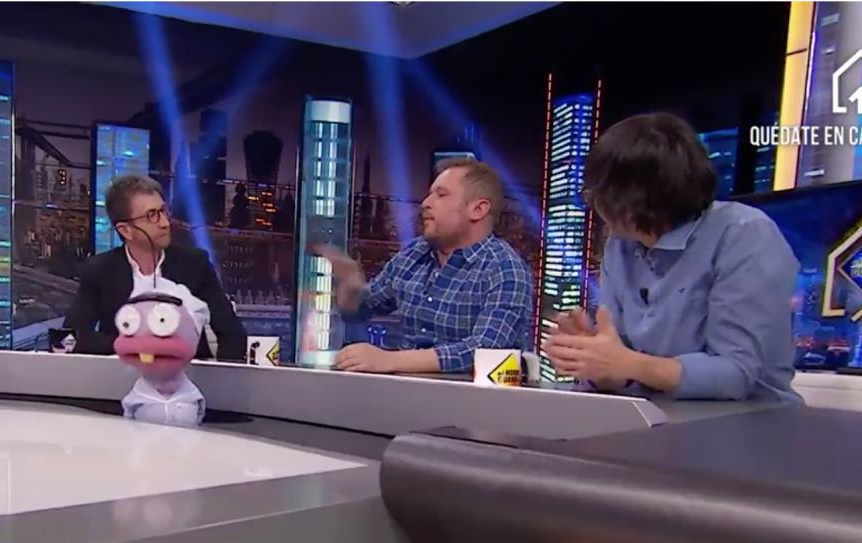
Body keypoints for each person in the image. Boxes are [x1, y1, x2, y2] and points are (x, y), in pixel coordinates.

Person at [543, 112, 800, 402]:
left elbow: (735, 375)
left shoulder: (744, 234)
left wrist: (629, 364)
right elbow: (621, 369)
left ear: (632, 198)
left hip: (753, 420)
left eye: (595, 194)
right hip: (651, 417)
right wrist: (595, 359)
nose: (594, 205)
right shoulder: (619, 245)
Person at [316, 157, 532, 374]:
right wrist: (349, 282)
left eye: (441, 194)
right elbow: (359, 311)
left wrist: (390, 360)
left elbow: (485, 351)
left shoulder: (505, 270)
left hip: (468, 392)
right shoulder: (415, 253)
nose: (426, 203)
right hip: (404, 388)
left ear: (478, 209)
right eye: (430, 194)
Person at [68, 174, 246, 361]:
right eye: (151, 215)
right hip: (121, 373)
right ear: (125, 230)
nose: (164, 223)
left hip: (188, 373)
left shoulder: (194, 264)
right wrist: (129, 347)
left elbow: (232, 334)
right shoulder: (100, 270)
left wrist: (219, 376)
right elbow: (70, 336)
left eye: (163, 211)